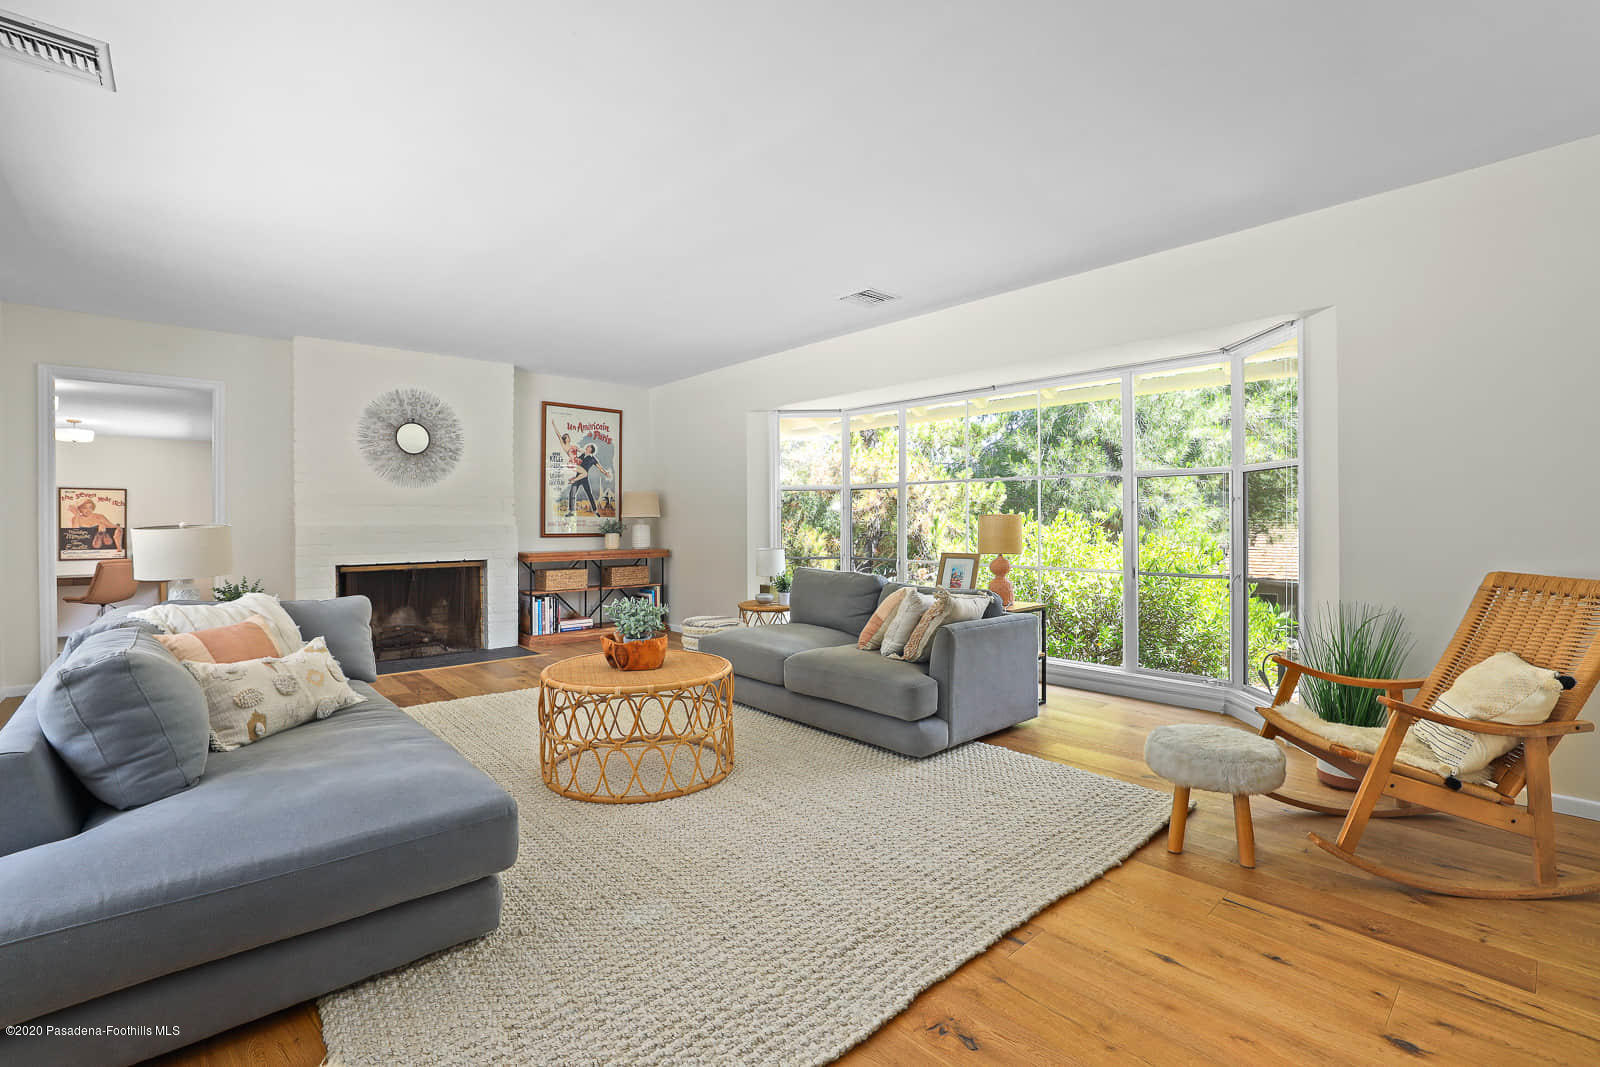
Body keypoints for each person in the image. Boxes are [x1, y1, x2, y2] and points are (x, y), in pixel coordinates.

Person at [566, 443, 613, 518]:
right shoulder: (582, 455)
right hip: (578, 477)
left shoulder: (592, 459)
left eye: (588, 446)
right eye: (587, 446)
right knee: (572, 493)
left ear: (591, 450)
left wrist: (605, 473)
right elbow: (576, 461)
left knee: (589, 494)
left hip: (584, 478)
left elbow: (600, 467)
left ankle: (595, 511)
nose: (587, 446)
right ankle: (571, 511)